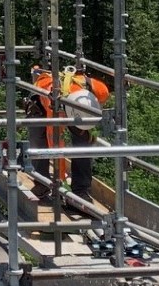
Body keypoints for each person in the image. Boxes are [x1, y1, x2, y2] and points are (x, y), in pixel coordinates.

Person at [28, 64, 110, 200]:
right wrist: (59, 182)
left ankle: (81, 191)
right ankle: (42, 183)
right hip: (41, 106)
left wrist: (90, 127)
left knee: (84, 142)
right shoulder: (51, 96)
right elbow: (55, 142)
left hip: (78, 108)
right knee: (38, 138)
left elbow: (102, 101)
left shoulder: (98, 89)